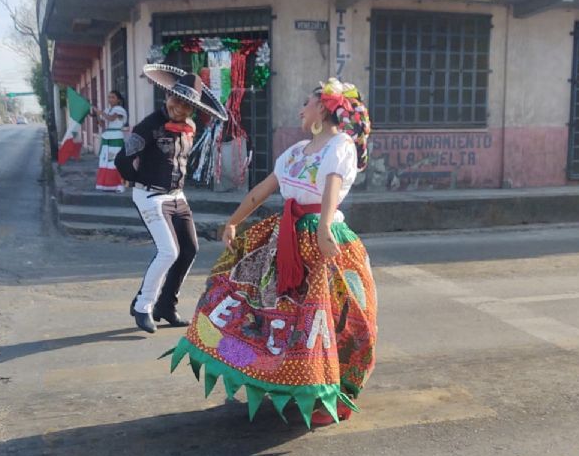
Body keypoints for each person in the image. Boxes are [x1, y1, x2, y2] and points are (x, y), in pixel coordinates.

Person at [165, 78, 376, 427]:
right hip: (285, 238)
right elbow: (261, 191)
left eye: (306, 103)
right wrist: (233, 221)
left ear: (323, 108)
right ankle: (280, 376)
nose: (300, 109)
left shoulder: (341, 145)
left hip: (323, 239)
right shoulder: (295, 152)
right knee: (274, 314)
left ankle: (335, 393)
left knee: (332, 318)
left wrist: (324, 229)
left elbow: (332, 187)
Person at [115, 64, 229, 334]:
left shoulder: (189, 126)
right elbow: (122, 160)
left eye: (187, 104)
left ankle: (166, 305)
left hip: (177, 196)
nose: (179, 107)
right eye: (176, 99)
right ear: (167, 97)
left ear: (193, 109)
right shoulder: (148, 126)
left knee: (189, 249)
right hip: (151, 196)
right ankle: (144, 306)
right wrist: (139, 179)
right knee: (169, 252)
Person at [93, 90, 129, 192]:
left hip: (116, 138)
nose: (110, 99)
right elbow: (102, 124)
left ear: (118, 99)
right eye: (109, 97)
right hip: (107, 137)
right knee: (105, 161)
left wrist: (101, 113)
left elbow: (112, 118)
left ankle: (119, 185)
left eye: (113, 97)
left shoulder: (120, 110)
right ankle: (105, 184)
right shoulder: (107, 110)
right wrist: (97, 115)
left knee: (114, 161)